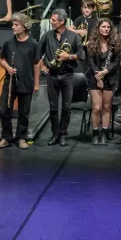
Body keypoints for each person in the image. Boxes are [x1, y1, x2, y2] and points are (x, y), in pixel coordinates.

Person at [38, 9, 84, 147]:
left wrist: (67, 56)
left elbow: (81, 55)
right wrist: (41, 66)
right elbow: (38, 54)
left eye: (53, 20)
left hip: (67, 75)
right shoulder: (47, 36)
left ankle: (63, 134)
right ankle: (55, 134)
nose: (51, 22)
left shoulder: (73, 37)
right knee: (53, 108)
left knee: (66, 107)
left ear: (62, 22)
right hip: (51, 76)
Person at [0, 14, 40, 149]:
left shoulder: (33, 43)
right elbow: (1, 59)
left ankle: (21, 137)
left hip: (26, 81)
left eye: (16, 25)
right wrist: (8, 67)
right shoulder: (9, 43)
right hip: (10, 82)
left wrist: (36, 83)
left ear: (25, 26)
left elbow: (37, 63)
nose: (13, 27)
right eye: (13, 24)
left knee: (24, 112)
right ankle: (6, 137)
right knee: (5, 110)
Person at [85, 19, 121, 145]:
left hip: (109, 78)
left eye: (108, 27)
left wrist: (105, 72)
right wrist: (98, 76)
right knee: (96, 107)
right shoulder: (91, 43)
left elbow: (117, 61)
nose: (106, 29)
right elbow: (90, 62)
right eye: (103, 26)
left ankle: (104, 132)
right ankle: (95, 133)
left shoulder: (114, 43)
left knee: (106, 107)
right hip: (94, 78)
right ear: (98, 28)